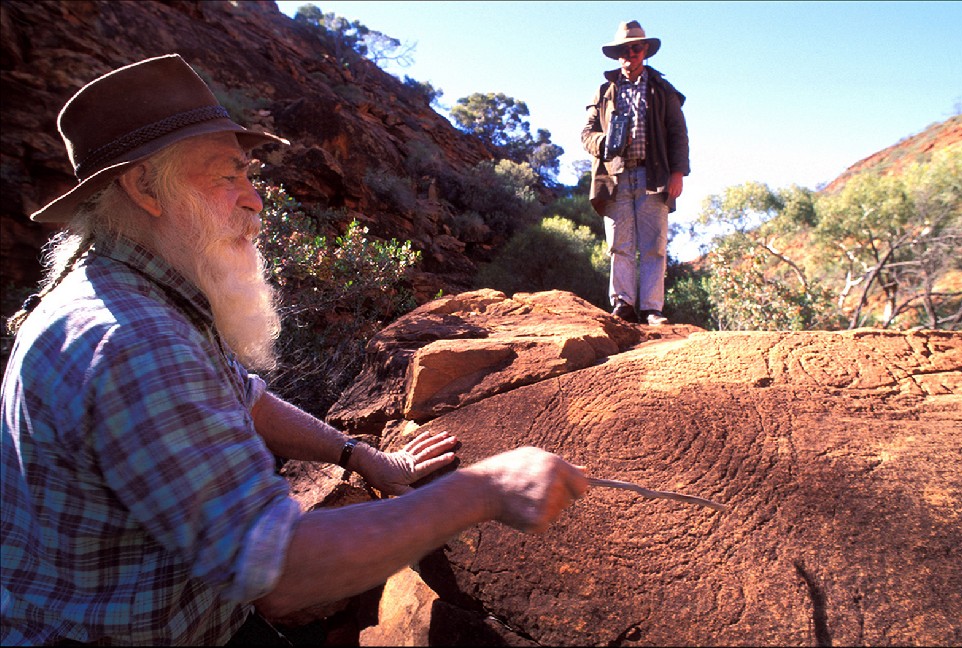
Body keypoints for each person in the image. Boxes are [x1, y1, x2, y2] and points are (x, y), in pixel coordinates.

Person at [0, 54, 587, 646]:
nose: (255, 200)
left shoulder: (133, 291)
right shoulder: (134, 339)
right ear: (144, 187)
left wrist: (360, 456)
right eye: (228, 176)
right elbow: (276, 570)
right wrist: (484, 490)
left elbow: (242, 397)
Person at [581, 20, 690, 326]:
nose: (630, 54)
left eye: (636, 47)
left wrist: (678, 172)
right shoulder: (604, 91)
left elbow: (678, 134)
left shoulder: (662, 90)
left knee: (654, 246)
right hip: (613, 178)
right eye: (624, 49)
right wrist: (607, 143)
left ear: (645, 51)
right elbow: (586, 134)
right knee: (619, 245)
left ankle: (652, 309)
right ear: (617, 55)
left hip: (653, 176)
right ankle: (623, 304)